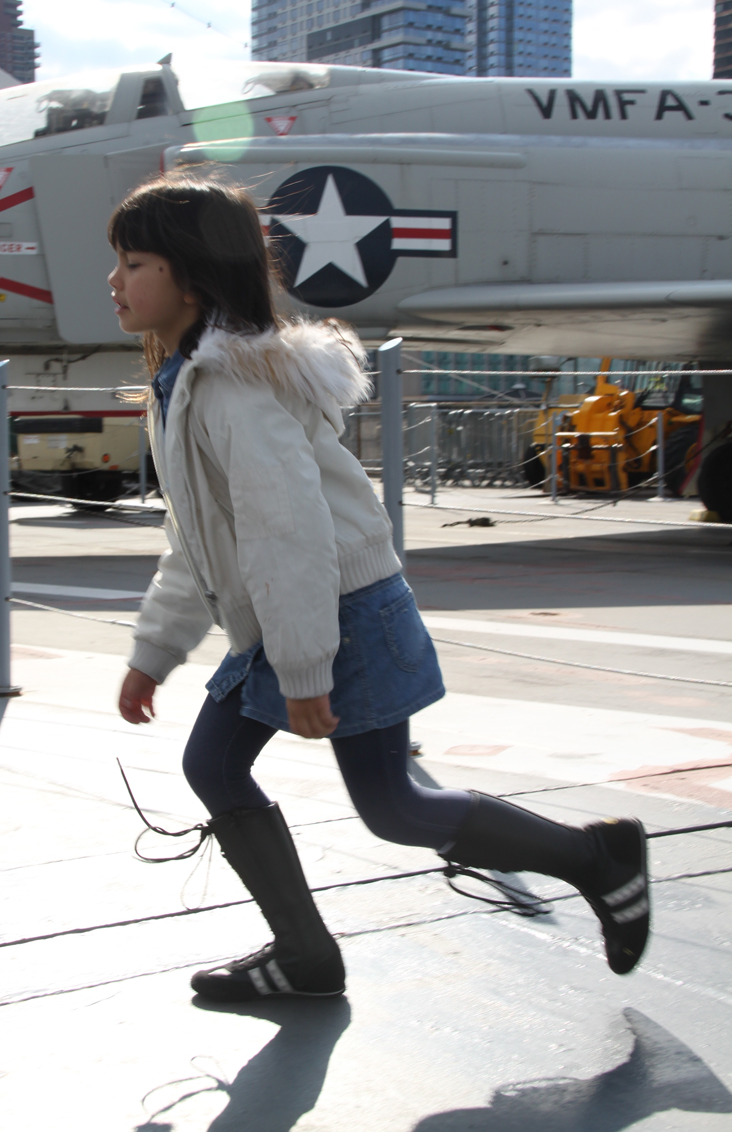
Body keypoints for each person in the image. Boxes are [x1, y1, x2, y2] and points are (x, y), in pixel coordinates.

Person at [109, 174, 650, 1002]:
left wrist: (304, 669)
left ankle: (594, 857)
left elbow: (289, 532)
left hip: (341, 616)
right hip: (298, 619)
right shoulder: (185, 382)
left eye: (134, 261)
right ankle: (306, 956)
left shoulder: (234, 388)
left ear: (191, 275)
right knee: (219, 767)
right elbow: (201, 541)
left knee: (392, 807)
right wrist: (155, 651)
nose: (115, 280)